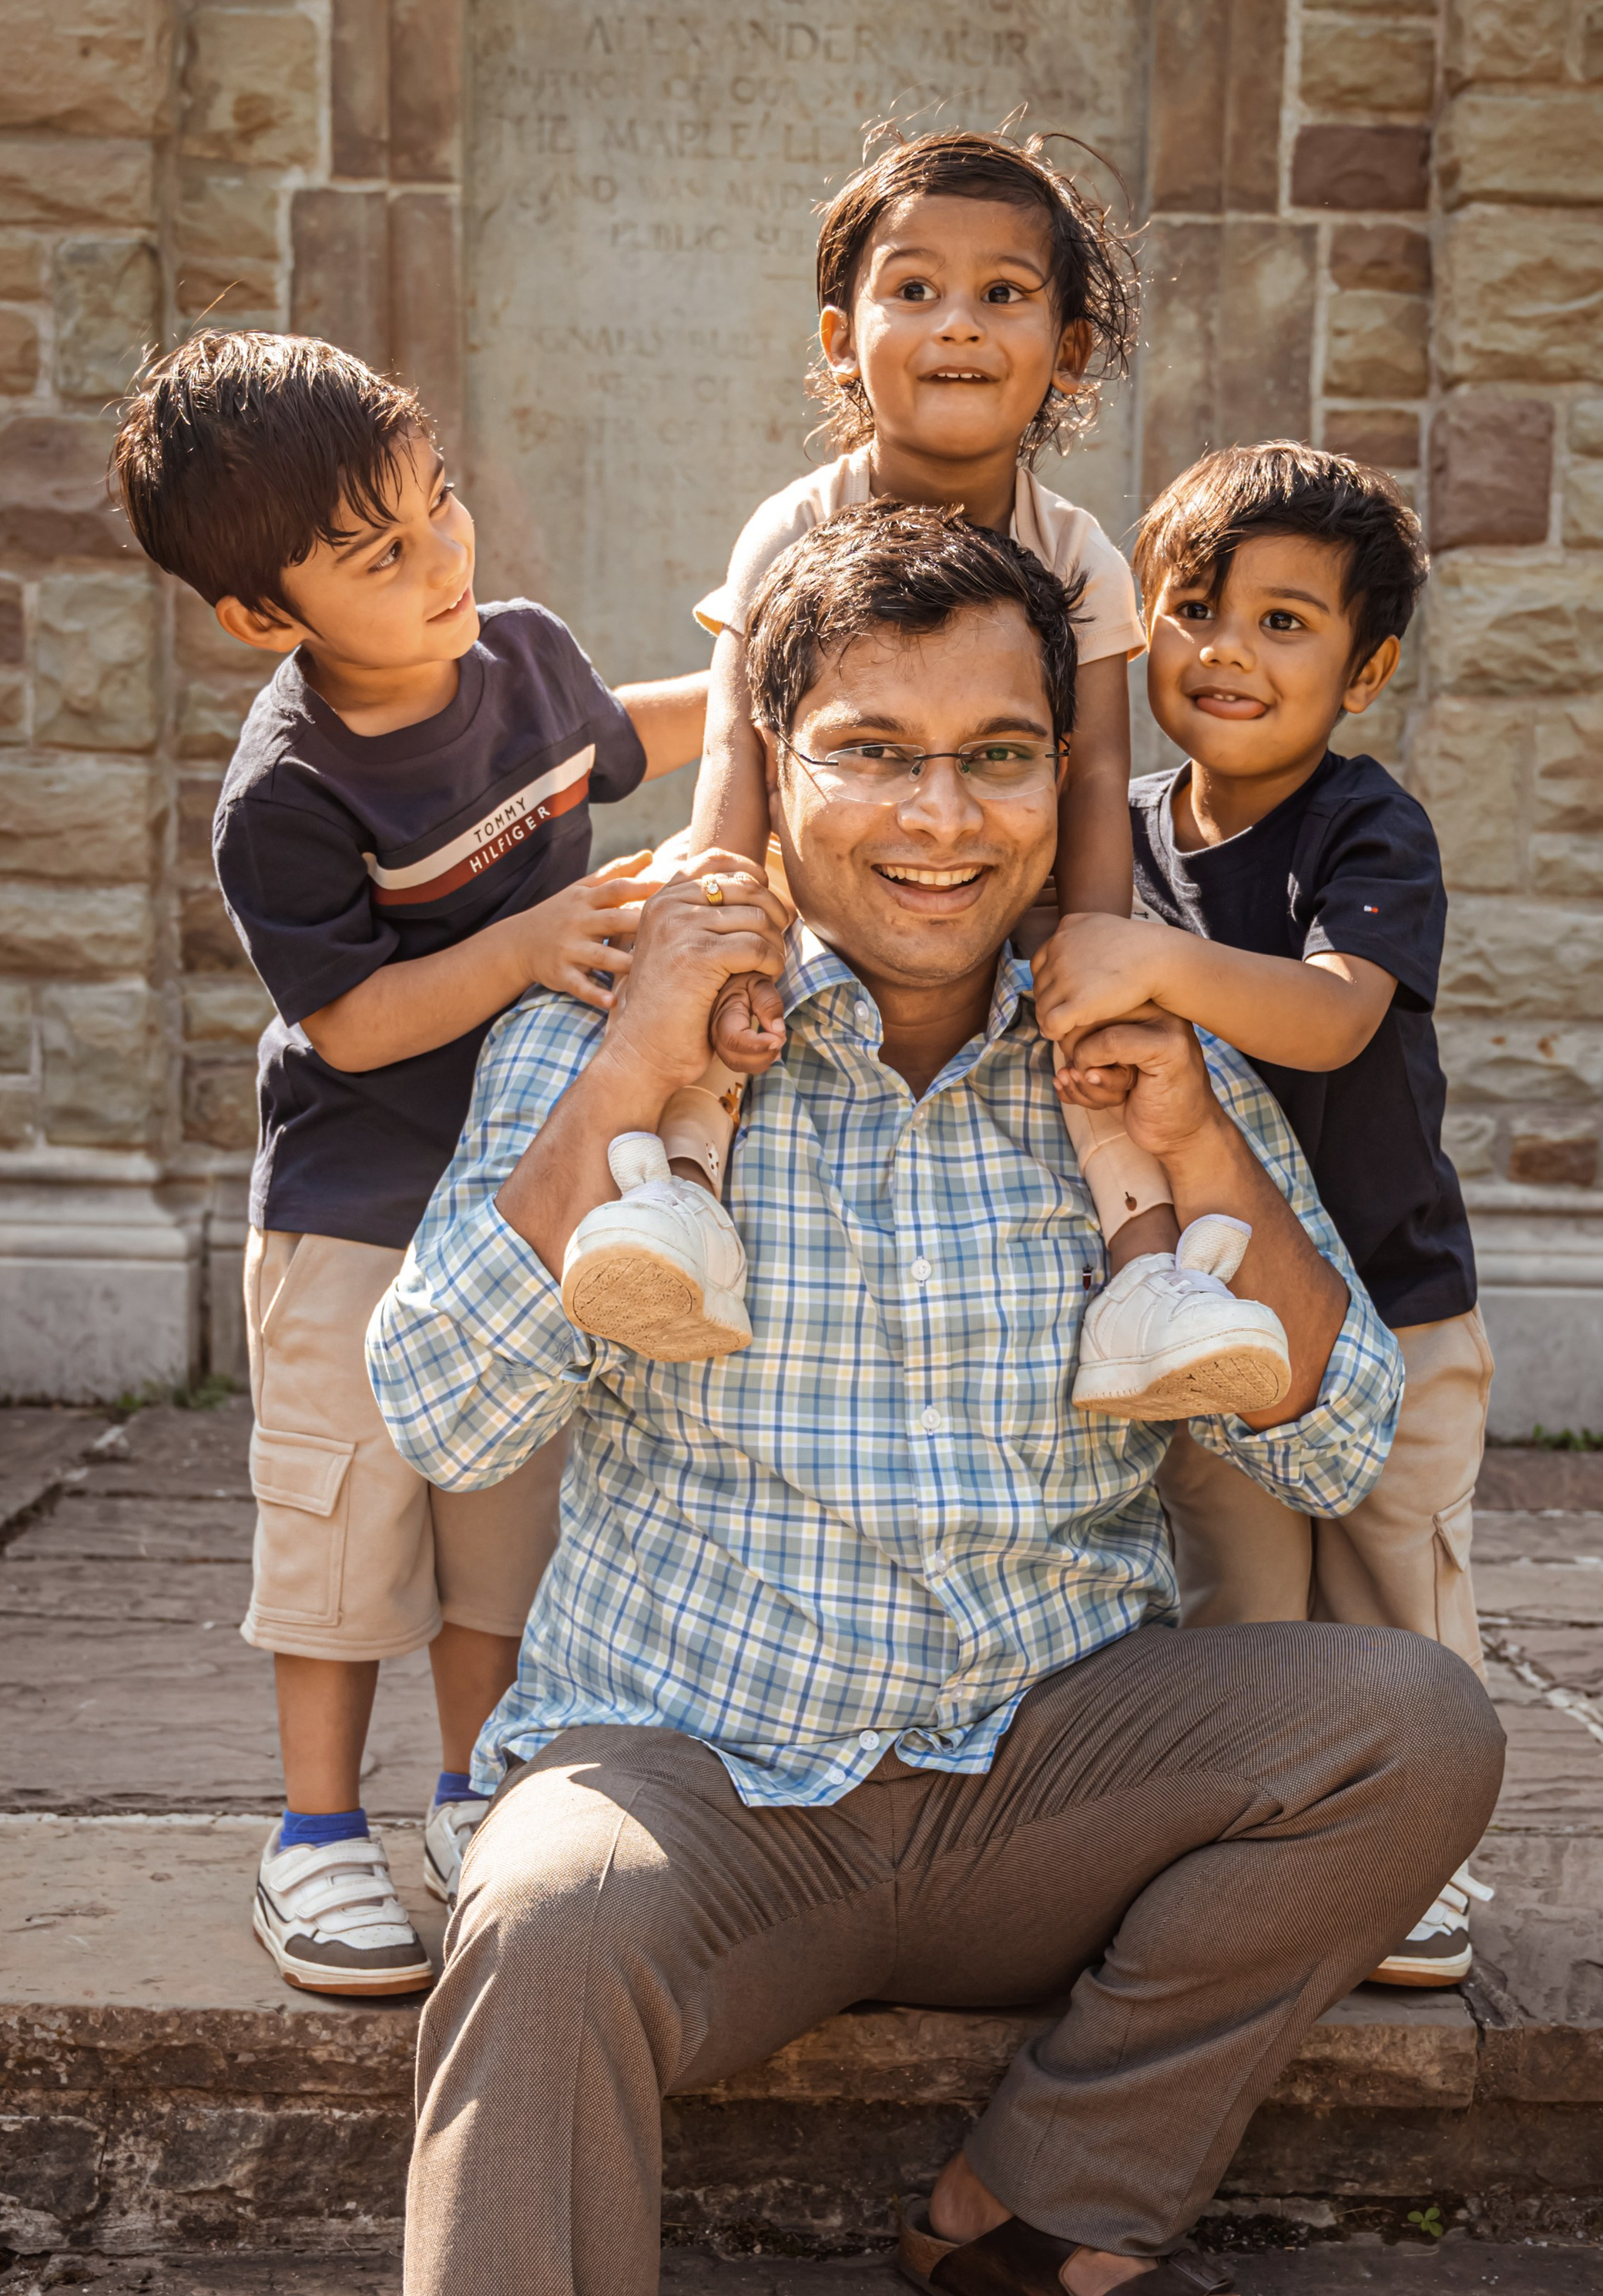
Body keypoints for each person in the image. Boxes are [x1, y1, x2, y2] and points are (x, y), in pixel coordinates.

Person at [352, 503, 1502, 2296]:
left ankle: (1042, 2199)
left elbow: (1328, 1432)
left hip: (1038, 1755)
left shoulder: (1120, 1029)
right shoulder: (620, 1017)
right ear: (775, 763)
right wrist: (642, 1059)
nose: (945, 817)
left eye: (998, 756)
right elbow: (441, 1407)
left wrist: (1200, 1151)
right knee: (534, 1932)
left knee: (1406, 1725)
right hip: (691, 1778)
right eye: (876, 753)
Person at [109, 331, 707, 1995]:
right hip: (356, 1217)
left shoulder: (518, 660)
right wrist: (533, 943)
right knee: (347, 1530)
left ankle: (472, 1793)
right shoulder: (286, 791)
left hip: (520, 1201)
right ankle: (313, 1837)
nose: (442, 556)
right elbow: (355, 1024)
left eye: (437, 506)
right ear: (264, 612)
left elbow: (629, 738)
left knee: (501, 1520)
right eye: (381, 553)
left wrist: (780, 678)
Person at [555, 128, 1289, 1425]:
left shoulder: (1078, 557)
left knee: (1100, 1052)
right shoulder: (794, 525)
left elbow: (1098, 763)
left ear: (1066, 349)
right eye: (915, 289)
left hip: (1020, 890)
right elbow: (738, 747)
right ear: (842, 336)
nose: (959, 324)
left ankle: (1144, 1286)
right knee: (720, 999)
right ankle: (681, 1207)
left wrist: (1094, 946)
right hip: (810, 879)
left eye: (1005, 293)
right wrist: (727, 917)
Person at [1032, 441, 1494, 1985]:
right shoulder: (1130, 833)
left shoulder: (1366, 832)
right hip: (1220, 1308)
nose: (1226, 652)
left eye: (1284, 624)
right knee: (1235, 1591)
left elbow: (1329, 1021)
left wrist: (1149, 964)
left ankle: (1413, 1854)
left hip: (1391, 1301)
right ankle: (1257, 1837)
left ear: (1361, 671)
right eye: (1192, 609)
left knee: (1390, 1577)